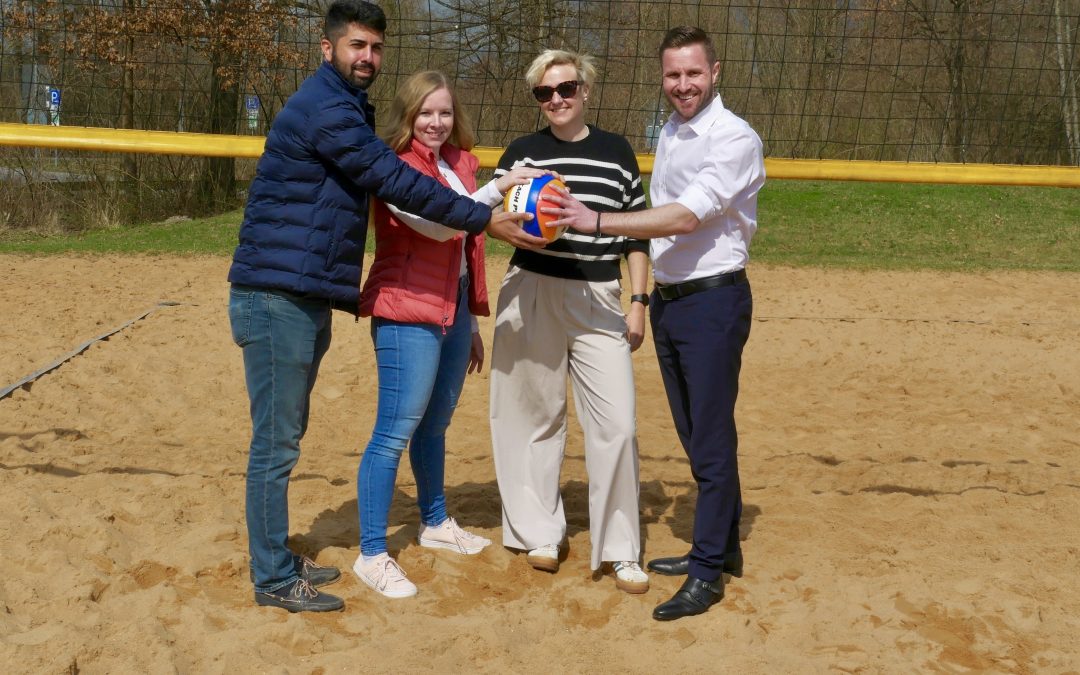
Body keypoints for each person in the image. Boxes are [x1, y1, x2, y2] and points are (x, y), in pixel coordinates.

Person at [228, 1, 544, 614]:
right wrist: (487, 217)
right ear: (328, 49)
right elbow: (395, 182)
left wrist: (486, 201)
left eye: (374, 47)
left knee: (289, 436)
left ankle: (277, 557)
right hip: (276, 296)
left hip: (304, 293)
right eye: (355, 46)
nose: (366, 57)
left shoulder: (347, 109)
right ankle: (270, 577)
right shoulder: (328, 111)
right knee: (277, 443)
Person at [541, 26, 766, 620]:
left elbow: (687, 217)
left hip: (713, 302)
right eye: (673, 75)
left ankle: (708, 573)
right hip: (672, 300)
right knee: (697, 435)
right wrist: (645, 295)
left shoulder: (734, 137)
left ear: (716, 73)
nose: (682, 84)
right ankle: (722, 549)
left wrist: (595, 222)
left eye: (693, 73)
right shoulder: (669, 128)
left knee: (711, 440)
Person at [353, 71, 551, 598]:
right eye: (424, 113)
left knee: (435, 427)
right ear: (407, 116)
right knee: (393, 432)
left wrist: (470, 320)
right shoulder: (392, 165)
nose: (435, 122)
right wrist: (497, 189)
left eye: (443, 112)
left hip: (451, 314)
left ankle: (435, 522)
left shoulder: (461, 164)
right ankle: (371, 553)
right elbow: (439, 224)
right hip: (406, 313)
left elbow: (467, 250)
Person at [489, 49, 652, 594]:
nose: (556, 99)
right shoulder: (522, 154)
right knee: (535, 415)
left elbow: (635, 234)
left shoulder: (616, 152)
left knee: (618, 424)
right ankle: (540, 531)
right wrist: (509, 223)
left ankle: (622, 548)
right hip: (530, 287)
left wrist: (638, 302)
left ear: (586, 89)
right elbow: (490, 219)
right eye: (544, 92)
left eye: (565, 88)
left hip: (598, 296)